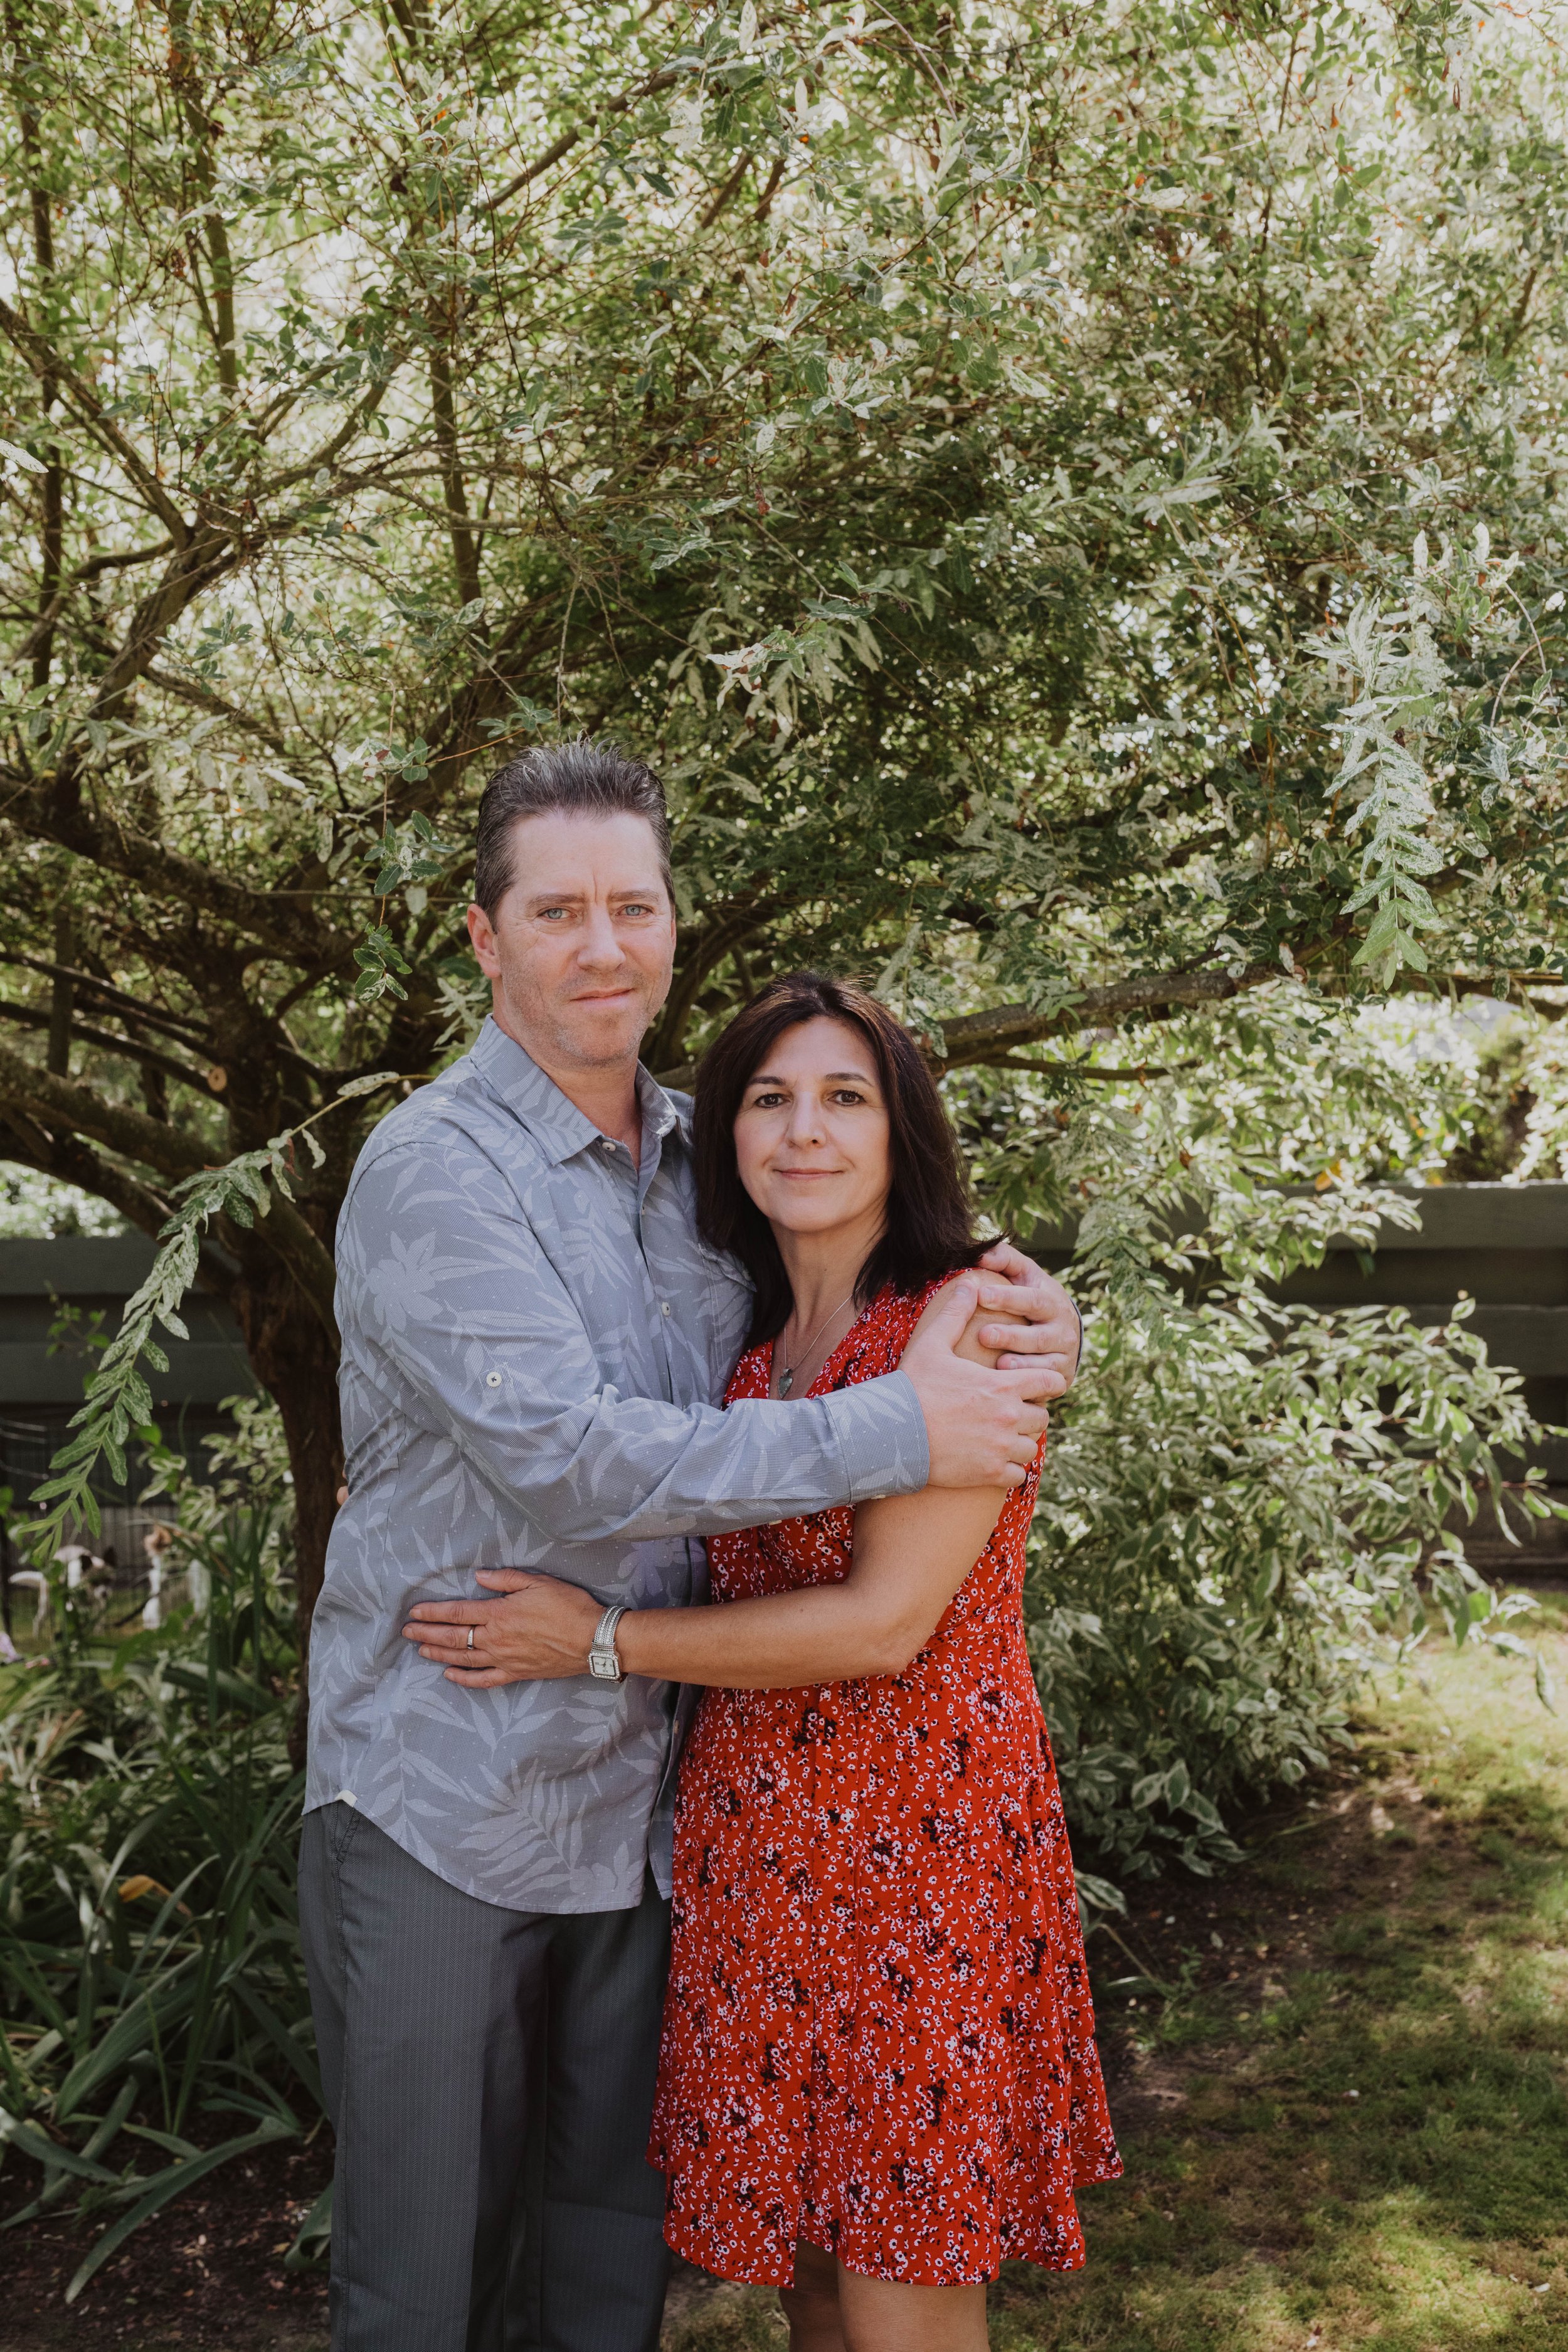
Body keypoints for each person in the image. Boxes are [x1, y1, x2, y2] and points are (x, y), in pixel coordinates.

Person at [302, 738, 1084, 2352]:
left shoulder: (708, 1153)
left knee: (606, 2275)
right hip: (454, 1784)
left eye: (632, 907)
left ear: (671, 923)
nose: (601, 946)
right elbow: (574, 1458)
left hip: (658, 1812)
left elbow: (878, 1227)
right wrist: (906, 1431)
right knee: (429, 2281)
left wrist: (1020, 1297)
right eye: (557, 910)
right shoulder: (434, 1170)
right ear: (483, 936)